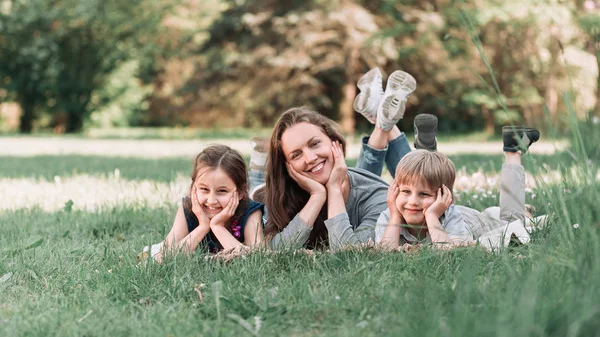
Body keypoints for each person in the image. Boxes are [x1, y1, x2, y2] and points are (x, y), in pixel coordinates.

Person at [262, 68, 437, 250]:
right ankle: (381, 121)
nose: (310, 158)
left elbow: (347, 254)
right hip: (355, 182)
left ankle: (382, 122)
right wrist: (317, 197)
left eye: (315, 144)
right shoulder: (281, 193)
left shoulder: (379, 199)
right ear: (287, 166)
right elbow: (276, 252)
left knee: (426, 183)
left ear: (335, 142)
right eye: (296, 154)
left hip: (366, 189)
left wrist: (334, 190)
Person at [377, 126, 547, 250]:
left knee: (513, 220)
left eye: (424, 194)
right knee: (496, 212)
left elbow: (449, 253)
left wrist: (431, 216)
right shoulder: (390, 215)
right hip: (470, 214)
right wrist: (394, 216)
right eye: (406, 192)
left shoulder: (450, 217)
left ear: (444, 196)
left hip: (475, 221)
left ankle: (513, 150)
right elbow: (385, 252)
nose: (412, 201)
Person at [155, 144, 265, 260]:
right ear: (194, 188)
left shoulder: (251, 212)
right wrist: (203, 227)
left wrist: (218, 227)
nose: (211, 200)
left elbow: (257, 260)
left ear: (241, 192)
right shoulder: (188, 209)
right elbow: (163, 257)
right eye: (204, 189)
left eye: (222, 191)